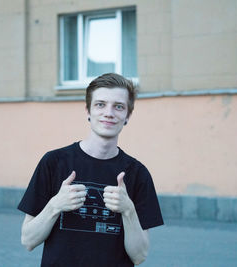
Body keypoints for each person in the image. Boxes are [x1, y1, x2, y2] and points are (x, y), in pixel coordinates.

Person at [18, 73, 164, 266]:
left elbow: (139, 256)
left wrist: (128, 210)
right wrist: (55, 205)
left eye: (118, 106)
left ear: (127, 115)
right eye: (100, 104)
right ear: (88, 111)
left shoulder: (138, 174)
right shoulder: (54, 162)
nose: (109, 113)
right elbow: (28, 241)